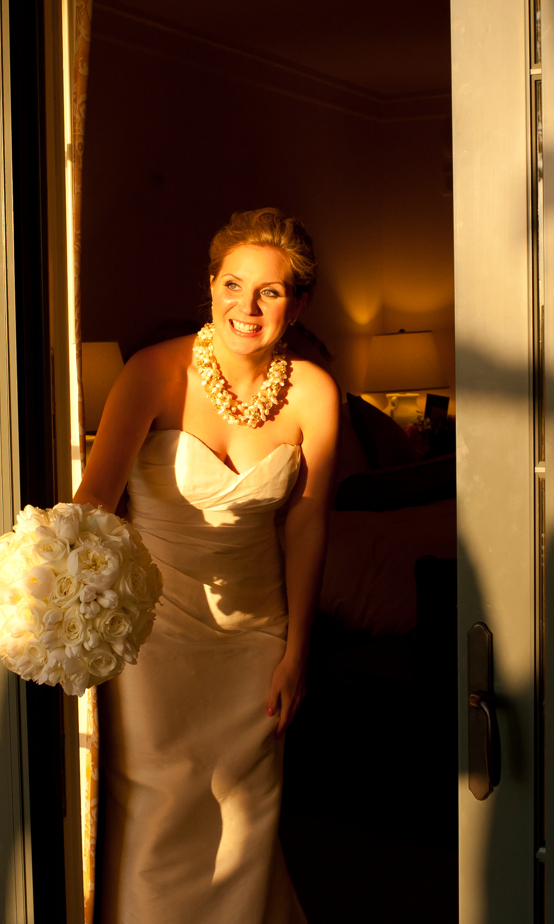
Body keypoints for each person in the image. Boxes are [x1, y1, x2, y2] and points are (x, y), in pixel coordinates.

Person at [74, 208, 338, 923]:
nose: (246, 308)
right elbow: (94, 500)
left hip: (258, 634)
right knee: (162, 807)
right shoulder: (153, 372)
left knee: (248, 818)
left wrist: (297, 653)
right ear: (211, 286)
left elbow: (309, 522)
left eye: (271, 292)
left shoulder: (314, 393)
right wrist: (64, 606)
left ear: (298, 304)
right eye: (232, 285)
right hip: (155, 637)